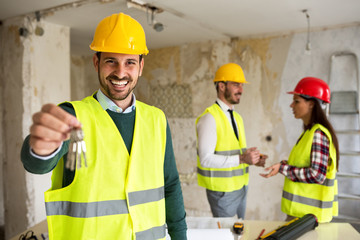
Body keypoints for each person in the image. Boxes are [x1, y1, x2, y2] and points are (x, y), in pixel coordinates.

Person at [20, 12, 187, 240]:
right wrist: (39, 149)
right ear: (96, 62)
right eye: (111, 61)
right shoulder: (73, 115)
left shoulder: (157, 119)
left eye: (130, 62)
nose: (120, 72)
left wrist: (181, 237)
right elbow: (37, 164)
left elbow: (170, 185)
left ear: (141, 66)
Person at [260, 77, 339, 223]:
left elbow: (317, 175)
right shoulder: (309, 133)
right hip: (303, 217)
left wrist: (284, 168)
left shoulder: (318, 134)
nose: (291, 105)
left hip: (308, 219)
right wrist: (281, 166)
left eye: (296, 101)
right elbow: (303, 165)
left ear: (311, 105)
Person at [196, 63, 267, 219]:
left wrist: (252, 159)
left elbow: (232, 149)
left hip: (241, 186)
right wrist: (242, 158)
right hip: (223, 192)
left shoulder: (237, 117)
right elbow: (205, 159)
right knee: (225, 234)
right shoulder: (210, 118)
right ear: (221, 86)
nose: (241, 89)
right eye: (236, 84)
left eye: (241, 85)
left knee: (239, 231)